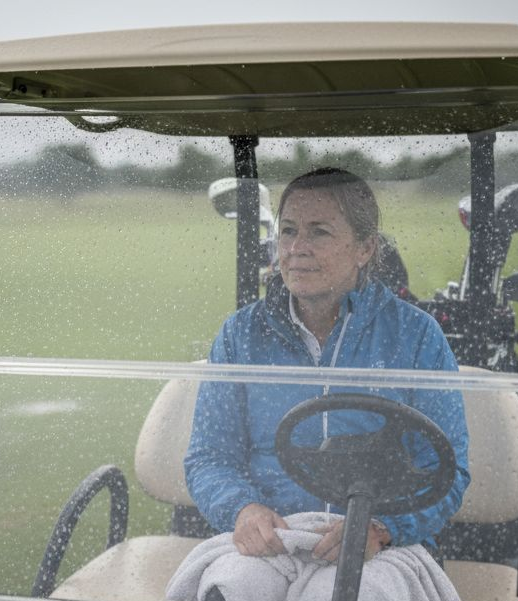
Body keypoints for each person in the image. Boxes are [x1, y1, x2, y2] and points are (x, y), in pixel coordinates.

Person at [183, 167, 470, 573]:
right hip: (274, 539)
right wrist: (244, 509)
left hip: (382, 544)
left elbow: (447, 470)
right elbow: (210, 456)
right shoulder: (241, 334)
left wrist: (383, 528)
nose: (297, 247)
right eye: (288, 231)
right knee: (232, 589)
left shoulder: (417, 336)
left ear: (364, 248)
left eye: (319, 232)